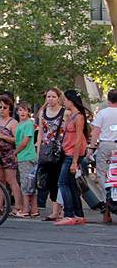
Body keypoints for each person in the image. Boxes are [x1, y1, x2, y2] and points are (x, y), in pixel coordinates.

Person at [55, 90, 89, 226]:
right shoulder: (71, 116)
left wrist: (74, 161)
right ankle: (78, 214)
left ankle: (69, 214)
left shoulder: (78, 117)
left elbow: (79, 140)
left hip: (72, 154)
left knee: (62, 183)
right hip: (67, 151)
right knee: (71, 184)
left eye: (65, 99)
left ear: (71, 100)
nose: (64, 101)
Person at [0, 95, 23, 217]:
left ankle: (17, 206)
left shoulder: (13, 122)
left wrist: (2, 136)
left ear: (10, 108)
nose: (2, 109)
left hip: (8, 154)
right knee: (0, 180)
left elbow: (16, 140)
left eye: (5, 107)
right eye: (0, 107)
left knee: (11, 180)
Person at [37, 88, 66, 221]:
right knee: (51, 181)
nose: (50, 99)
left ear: (59, 98)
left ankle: (64, 208)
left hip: (61, 149)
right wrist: (39, 149)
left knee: (62, 180)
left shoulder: (65, 113)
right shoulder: (42, 113)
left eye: (53, 96)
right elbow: (41, 132)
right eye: (48, 96)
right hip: (47, 150)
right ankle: (55, 210)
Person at [90, 88, 117, 223]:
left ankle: (107, 206)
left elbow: (96, 131)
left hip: (106, 145)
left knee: (103, 175)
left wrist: (91, 147)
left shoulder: (102, 113)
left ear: (108, 100)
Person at [15, 102, 38, 218]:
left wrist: (15, 152)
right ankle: (34, 209)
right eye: (20, 110)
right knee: (30, 184)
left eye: (25, 110)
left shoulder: (28, 124)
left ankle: (25, 208)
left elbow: (25, 141)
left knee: (26, 183)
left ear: (28, 112)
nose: (22, 112)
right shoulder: (20, 124)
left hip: (26, 156)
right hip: (23, 156)